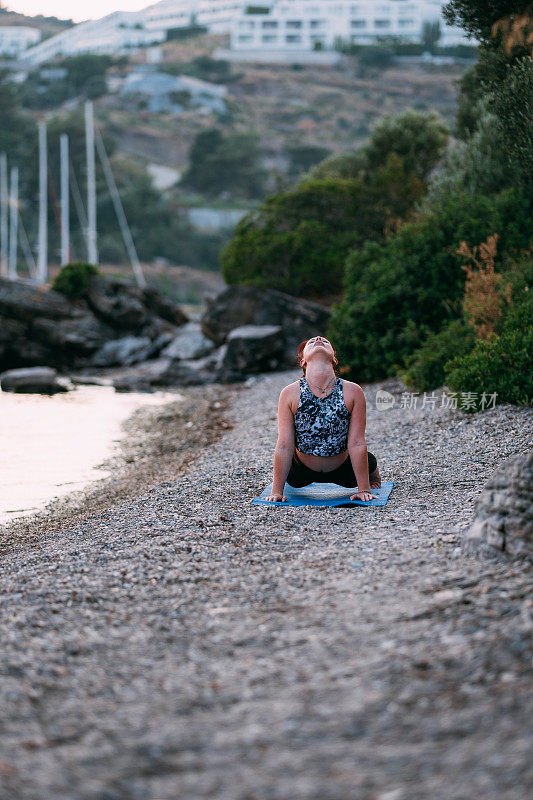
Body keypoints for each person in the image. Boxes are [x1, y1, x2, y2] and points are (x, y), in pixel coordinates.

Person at [265, 335, 381, 503]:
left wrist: (364, 489)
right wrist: (276, 492)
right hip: (300, 474)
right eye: (311, 342)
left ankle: (374, 475)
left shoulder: (353, 391)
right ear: (303, 361)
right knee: (285, 466)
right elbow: (284, 444)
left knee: (369, 460)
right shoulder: (289, 393)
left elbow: (356, 442)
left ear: (334, 359)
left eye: (325, 341)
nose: (318, 338)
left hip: (344, 472)